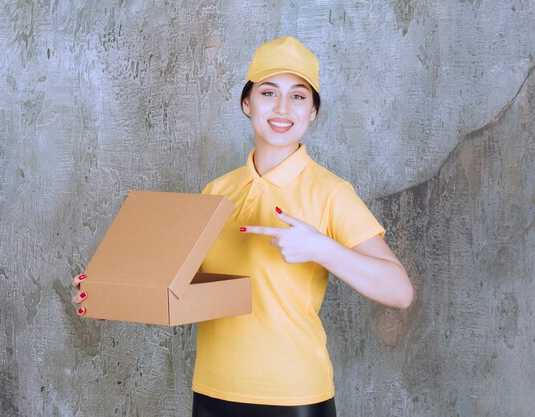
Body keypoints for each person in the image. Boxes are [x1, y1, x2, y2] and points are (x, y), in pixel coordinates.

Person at [72, 36, 413, 417]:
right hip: (213, 391)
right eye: (269, 92)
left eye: (298, 96)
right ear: (246, 103)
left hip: (294, 396)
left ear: (313, 111)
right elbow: (182, 287)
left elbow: (400, 291)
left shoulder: (331, 192)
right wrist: (109, 294)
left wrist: (322, 249)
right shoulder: (217, 191)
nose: (283, 107)